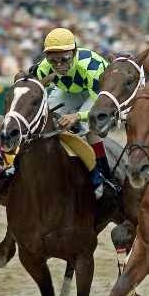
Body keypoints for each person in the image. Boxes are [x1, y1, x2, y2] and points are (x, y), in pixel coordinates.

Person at [33, 27, 114, 199]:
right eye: (53, 61)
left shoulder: (91, 67)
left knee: (85, 125)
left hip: (97, 92)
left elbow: (99, 107)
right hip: (69, 90)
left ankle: (102, 173)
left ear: (75, 52)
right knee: (48, 121)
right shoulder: (43, 69)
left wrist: (77, 116)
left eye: (64, 59)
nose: (59, 66)